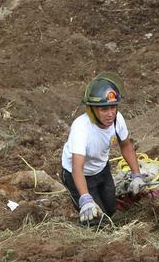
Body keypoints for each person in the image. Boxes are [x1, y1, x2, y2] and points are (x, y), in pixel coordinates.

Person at [61, 73, 145, 223]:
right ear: (92, 110)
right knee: (98, 220)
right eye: (104, 109)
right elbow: (77, 167)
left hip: (101, 168)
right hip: (79, 175)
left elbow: (125, 145)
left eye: (113, 107)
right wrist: (85, 198)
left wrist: (136, 175)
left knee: (111, 209)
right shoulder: (81, 128)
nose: (110, 113)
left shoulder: (117, 119)